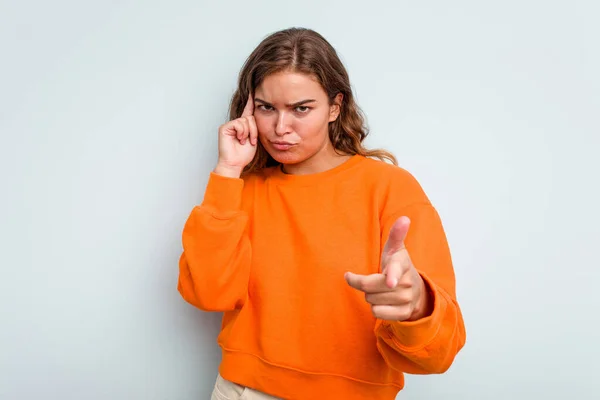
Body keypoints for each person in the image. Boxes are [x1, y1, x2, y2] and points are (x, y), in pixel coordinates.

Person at [178, 27, 466, 400]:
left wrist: (418, 305)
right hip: (241, 391)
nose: (281, 129)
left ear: (335, 106)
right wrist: (228, 171)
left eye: (301, 108)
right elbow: (207, 294)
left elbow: (440, 353)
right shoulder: (241, 188)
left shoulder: (389, 187)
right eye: (267, 107)